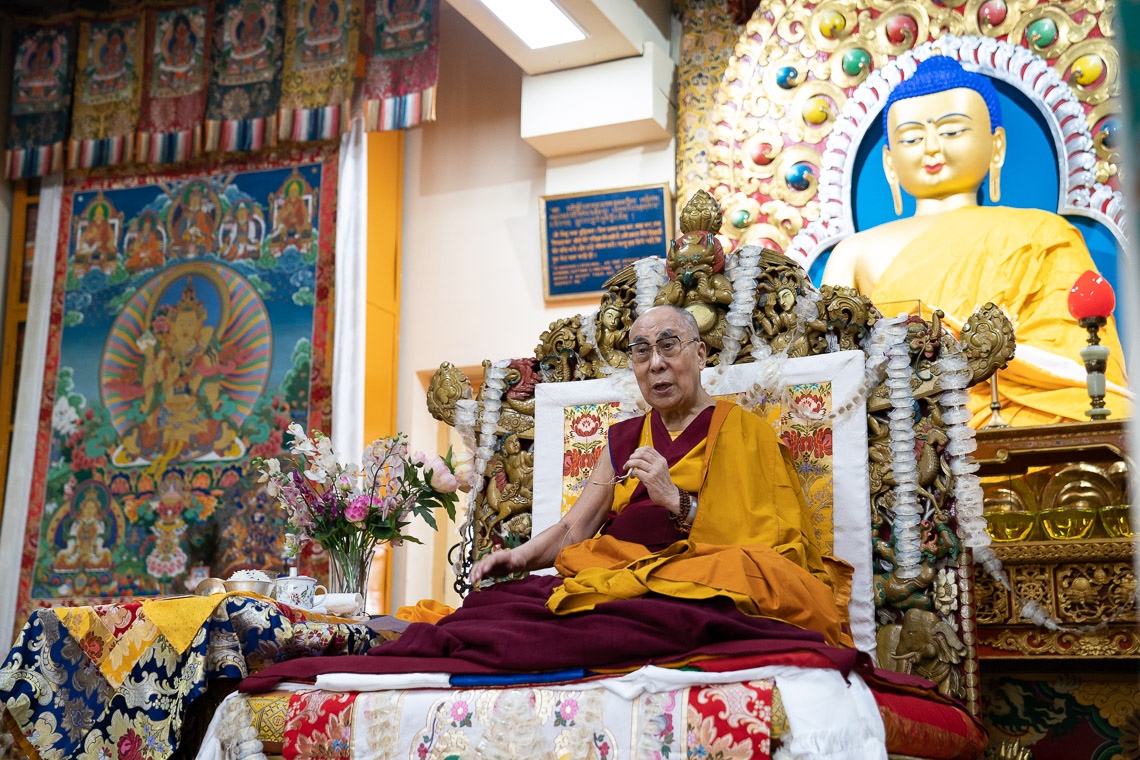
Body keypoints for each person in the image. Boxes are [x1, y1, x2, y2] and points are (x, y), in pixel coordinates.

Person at [241, 305, 853, 693]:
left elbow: (773, 548)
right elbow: (572, 532)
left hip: (692, 577)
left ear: (700, 353)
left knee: (621, 616)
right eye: (642, 352)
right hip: (604, 572)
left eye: (671, 345)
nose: (657, 364)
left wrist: (679, 505)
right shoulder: (622, 440)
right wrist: (521, 557)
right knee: (493, 613)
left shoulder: (742, 430)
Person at [822, 56, 1129, 427]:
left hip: (1018, 422)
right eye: (912, 138)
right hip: (901, 433)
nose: (931, 147)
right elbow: (831, 363)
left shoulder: (1041, 233)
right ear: (889, 161)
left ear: (996, 145)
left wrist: (977, 359)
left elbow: (1074, 370)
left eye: (952, 131)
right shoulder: (855, 251)